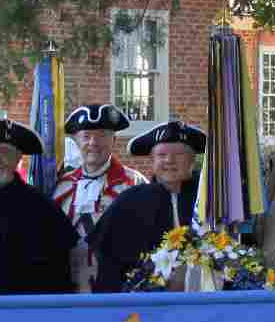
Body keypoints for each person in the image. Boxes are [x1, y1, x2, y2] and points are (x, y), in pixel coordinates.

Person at [0, 116, 77, 294]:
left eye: (5, 152)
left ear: (18, 157)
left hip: (24, 310)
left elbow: (60, 271)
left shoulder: (42, 208)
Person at [88, 120, 207, 293]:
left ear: (192, 160)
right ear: (152, 160)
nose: (169, 161)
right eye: (162, 155)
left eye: (179, 155)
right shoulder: (130, 201)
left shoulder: (210, 197)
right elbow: (107, 259)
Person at [52, 103, 147, 292]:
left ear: (113, 140)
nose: (93, 143)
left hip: (118, 289)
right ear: (77, 141)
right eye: (86, 136)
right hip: (67, 288)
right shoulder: (61, 186)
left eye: (102, 135)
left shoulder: (135, 184)